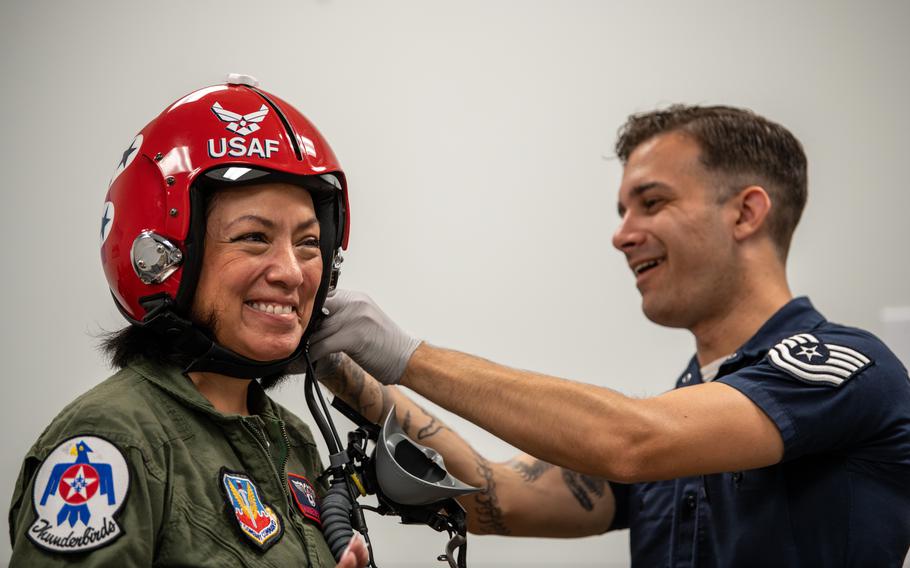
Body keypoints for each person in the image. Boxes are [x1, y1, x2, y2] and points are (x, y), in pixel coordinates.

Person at [308, 105, 910, 566]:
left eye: (651, 202)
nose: (622, 235)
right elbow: (497, 497)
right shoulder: (684, 411)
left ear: (746, 213)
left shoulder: (846, 367)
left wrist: (408, 354)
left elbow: (629, 440)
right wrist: (347, 361)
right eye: (623, 211)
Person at [8, 77, 368, 567]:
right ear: (167, 257)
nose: (291, 272)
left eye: (308, 243)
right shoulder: (111, 442)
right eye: (254, 238)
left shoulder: (291, 440)